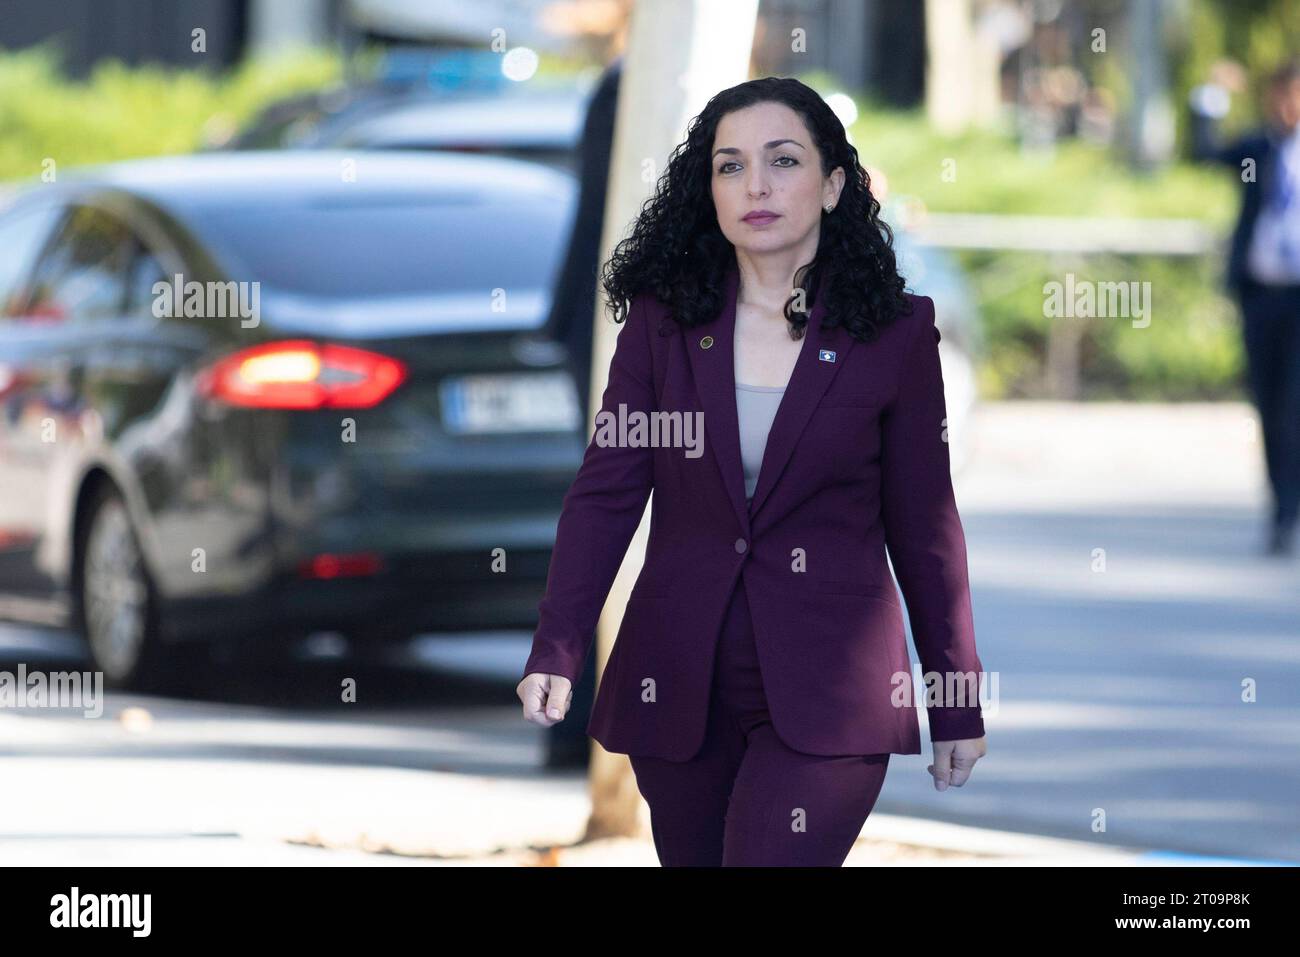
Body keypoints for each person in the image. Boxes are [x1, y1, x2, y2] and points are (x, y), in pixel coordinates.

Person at [517, 76, 989, 867]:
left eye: (783, 160)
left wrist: (955, 696)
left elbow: (927, 528)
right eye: (730, 166)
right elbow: (606, 495)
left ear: (834, 185)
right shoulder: (663, 325)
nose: (756, 186)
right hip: (678, 684)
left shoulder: (896, 335)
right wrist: (557, 646)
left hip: (832, 691)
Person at [1190, 59, 1300, 556]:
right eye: (1280, 94)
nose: (1287, 105)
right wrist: (1211, 96)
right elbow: (1204, 151)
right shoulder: (1258, 148)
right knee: (1272, 405)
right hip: (1263, 296)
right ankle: (1282, 511)